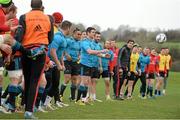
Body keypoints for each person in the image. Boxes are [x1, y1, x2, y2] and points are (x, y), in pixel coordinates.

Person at [14, 0, 54, 118]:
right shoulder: (48, 19)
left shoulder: (24, 16)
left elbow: (19, 36)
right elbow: (50, 38)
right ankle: (29, 111)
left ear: (30, 5)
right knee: (34, 81)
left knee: (27, 78)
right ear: (41, 6)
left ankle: (24, 105)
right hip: (40, 51)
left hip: (26, 51)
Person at [75, 27, 108, 105]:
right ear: (88, 33)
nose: (94, 33)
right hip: (84, 64)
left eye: (94, 32)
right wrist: (102, 50)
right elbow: (89, 51)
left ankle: (84, 100)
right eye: (92, 32)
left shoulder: (92, 42)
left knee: (87, 83)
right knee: (84, 82)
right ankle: (78, 100)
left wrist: (103, 55)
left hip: (91, 65)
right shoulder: (85, 42)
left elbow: (96, 53)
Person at [44, 20, 72, 108]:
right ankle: (40, 103)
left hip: (56, 64)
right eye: (70, 29)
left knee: (55, 84)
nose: (70, 31)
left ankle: (46, 103)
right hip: (50, 64)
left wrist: (62, 64)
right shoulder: (57, 37)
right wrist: (58, 64)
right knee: (48, 84)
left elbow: (60, 53)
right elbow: (52, 52)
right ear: (67, 28)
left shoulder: (63, 38)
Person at [59, 28, 81, 102]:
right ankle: (60, 95)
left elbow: (81, 51)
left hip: (75, 62)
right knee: (67, 78)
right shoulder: (68, 40)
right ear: (73, 34)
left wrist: (79, 56)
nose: (79, 36)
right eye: (78, 34)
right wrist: (66, 54)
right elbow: (62, 48)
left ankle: (72, 97)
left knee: (74, 80)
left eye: (80, 34)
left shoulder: (79, 43)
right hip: (67, 61)